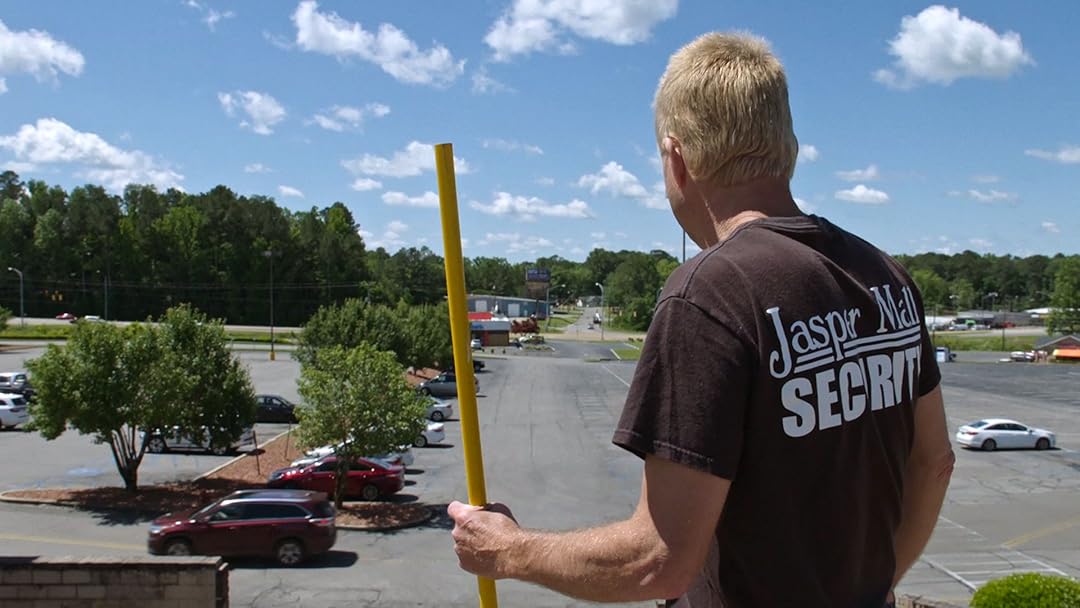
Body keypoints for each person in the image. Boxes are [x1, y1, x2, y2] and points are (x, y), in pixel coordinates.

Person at [449, 31, 955, 607]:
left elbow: (654, 561)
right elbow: (935, 462)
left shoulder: (709, 293)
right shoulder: (885, 277)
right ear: (786, 145)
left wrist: (508, 550)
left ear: (677, 158)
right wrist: (877, 587)